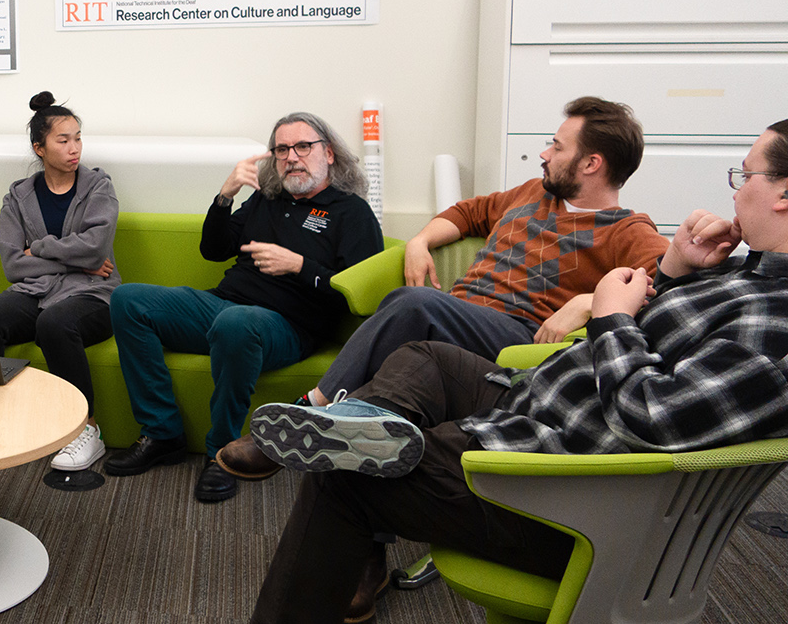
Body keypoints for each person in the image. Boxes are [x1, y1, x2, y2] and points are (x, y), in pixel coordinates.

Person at [244, 121, 788, 624]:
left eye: (746, 175)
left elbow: (652, 418)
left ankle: (342, 438)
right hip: (537, 408)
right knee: (425, 357)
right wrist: (674, 269)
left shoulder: (774, 319)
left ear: (783, 194)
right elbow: (669, 343)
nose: (735, 190)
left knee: (342, 474)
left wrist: (610, 317)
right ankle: (353, 421)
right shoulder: (744, 277)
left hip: (567, 491)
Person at [217, 96, 669, 485]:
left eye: (557, 144)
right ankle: (357, 516)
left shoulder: (628, 230)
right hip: (459, 318)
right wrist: (420, 240)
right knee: (377, 405)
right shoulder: (532, 193)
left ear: (591, 163)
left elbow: (664, 291)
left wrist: (588, 302)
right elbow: (468, 213)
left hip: (520, 338)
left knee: (413, 304)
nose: (545, 153)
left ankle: (310, 409)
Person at [103, 112, 383, 503]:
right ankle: (162, 433)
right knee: (128, 299)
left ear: (330, 154)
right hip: (225, 304)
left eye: (303, 146)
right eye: (282, 149)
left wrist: (299, 266)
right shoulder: (266, 200)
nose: (292, 157)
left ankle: (223, 452)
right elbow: (214, 250)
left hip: (288, 326)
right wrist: (225, 195)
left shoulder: (351, 212)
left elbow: (358, 295)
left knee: (237, 323)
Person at [0, 92, 120, 472]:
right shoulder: (18, 196)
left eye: (78, 138)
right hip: (35, 291)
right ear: (40, 147)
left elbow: (95, 248)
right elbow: (13, 265)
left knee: (55, 323)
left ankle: (85, 430)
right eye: (63, 140)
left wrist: (39, 247)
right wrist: (74, 262)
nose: (75, 148)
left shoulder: (99, 187)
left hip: (94, 294)